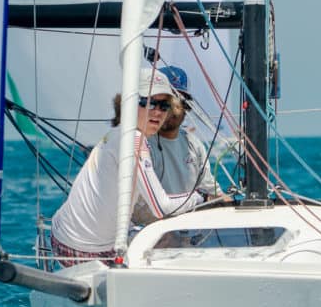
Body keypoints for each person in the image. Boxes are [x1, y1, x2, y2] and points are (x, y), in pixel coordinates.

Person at [50, 68, 205, 267]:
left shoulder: (119, 132)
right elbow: (161, 207)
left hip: (62, 232)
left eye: (164, 105)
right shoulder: (133, 139)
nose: (157, 111)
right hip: (83, 251)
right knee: (174, 247)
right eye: (147, 102)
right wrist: (201, 197)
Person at [132, 65, 220, 225]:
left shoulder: (194, 144)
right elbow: (139, 208)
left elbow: (211, 191)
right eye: (167, 101)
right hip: (151, 231)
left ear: (186, 107)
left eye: (179, 101)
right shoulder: (141, 143)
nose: (172, 109)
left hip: (190, 231)